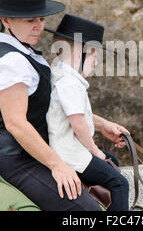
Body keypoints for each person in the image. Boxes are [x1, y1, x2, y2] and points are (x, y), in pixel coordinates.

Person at [0, 0, 129, 211]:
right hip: (17, 159)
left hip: (35, 151)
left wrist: (102, 124)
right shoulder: (11, 61)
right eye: (30, 20)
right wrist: (58, 165)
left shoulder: (25, 51)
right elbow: (16, 124)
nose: (39, 26)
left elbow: (52, 105)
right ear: (6, 20)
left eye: (41, 19)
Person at [45, 14, 130, 211]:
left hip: (66, 148)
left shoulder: (58, 72)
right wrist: (95, 151)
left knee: (113, 162)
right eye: (94, 55)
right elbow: (78, 124)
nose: (95, 62)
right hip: (69, 154)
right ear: (80, 52)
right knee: (120, 183)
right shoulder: (70, 83)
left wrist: (103, 127)